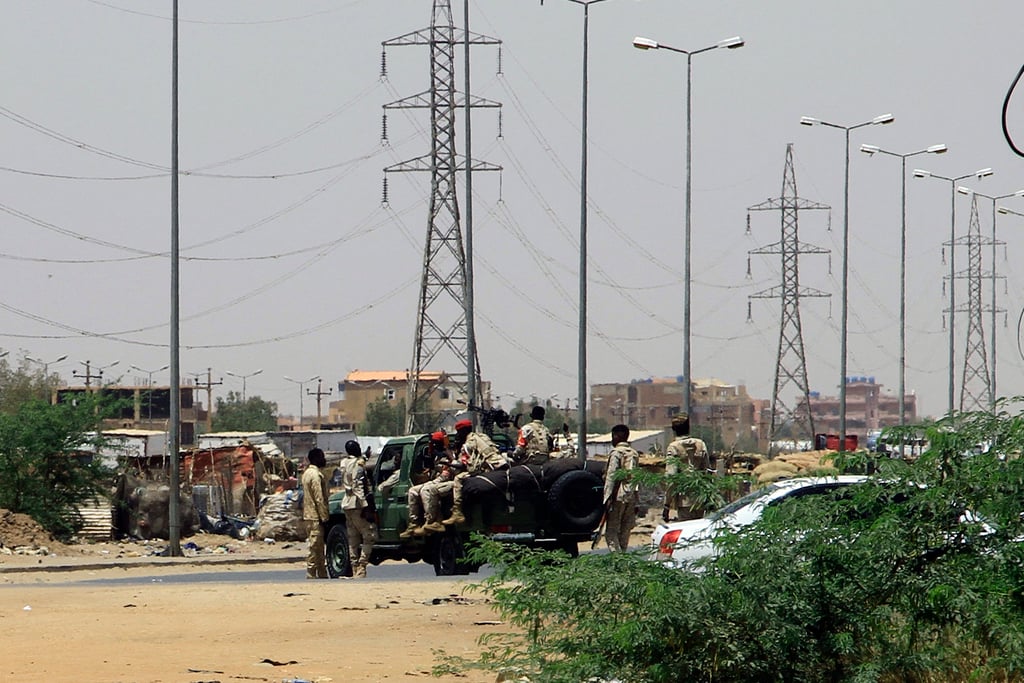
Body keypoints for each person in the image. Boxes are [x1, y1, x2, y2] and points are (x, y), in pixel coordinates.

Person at [442, 418, 508, 526]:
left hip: (483, 471)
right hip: (496, 468)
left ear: (463, 432)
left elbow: (462, 465)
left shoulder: (468, 444)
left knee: (458, 478)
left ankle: (457, 511)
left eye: (459, 432)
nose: (458, 435)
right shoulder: (482, 437)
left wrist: (450, 458)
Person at [400, 431, 452, 538]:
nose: (434, 445)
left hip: (445, 481)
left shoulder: (447, 454)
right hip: (437, 480)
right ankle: (413, 524)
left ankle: (432, 521)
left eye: (436, 443)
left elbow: (446, 474)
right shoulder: (435, 456)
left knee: (426, 489)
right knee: (412, 491)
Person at [340, 439, 377, 579]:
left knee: (353, 538)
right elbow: (358, 485)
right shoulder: (358, 465)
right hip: (356, 504)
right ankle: (362, 567)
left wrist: (365, 457)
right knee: (369, 535)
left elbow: (356, 463)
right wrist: (365, 505)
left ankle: (354, 567)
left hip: (347, 503)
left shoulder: (344, 463)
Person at [663, 413, 710, 522]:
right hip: (701, 498)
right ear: (688, 427)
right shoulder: (700, 444)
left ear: (673, 429)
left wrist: (667, 504)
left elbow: (671, 478)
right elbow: (708, 472)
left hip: (684, 500)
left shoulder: (674, 447)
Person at [602, 424, 641, 552]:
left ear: (616, 436)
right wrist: (637, 501)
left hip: (618, 497)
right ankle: (623, 557)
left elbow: (611, 477)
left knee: (611, 533)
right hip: (631, 497)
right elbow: (636, 478)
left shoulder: (616, 453)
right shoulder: (634, 454)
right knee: (624, 532)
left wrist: (607, 499)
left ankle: (617, 558)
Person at [300, 447, 330, 579]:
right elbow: (319, 498)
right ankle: (311, 572)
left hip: (308, 515)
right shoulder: (315, 475)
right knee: (314, 546)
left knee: (318, 548)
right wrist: (325, 517)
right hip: (315, 516)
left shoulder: (306, 473)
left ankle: (322, 573)